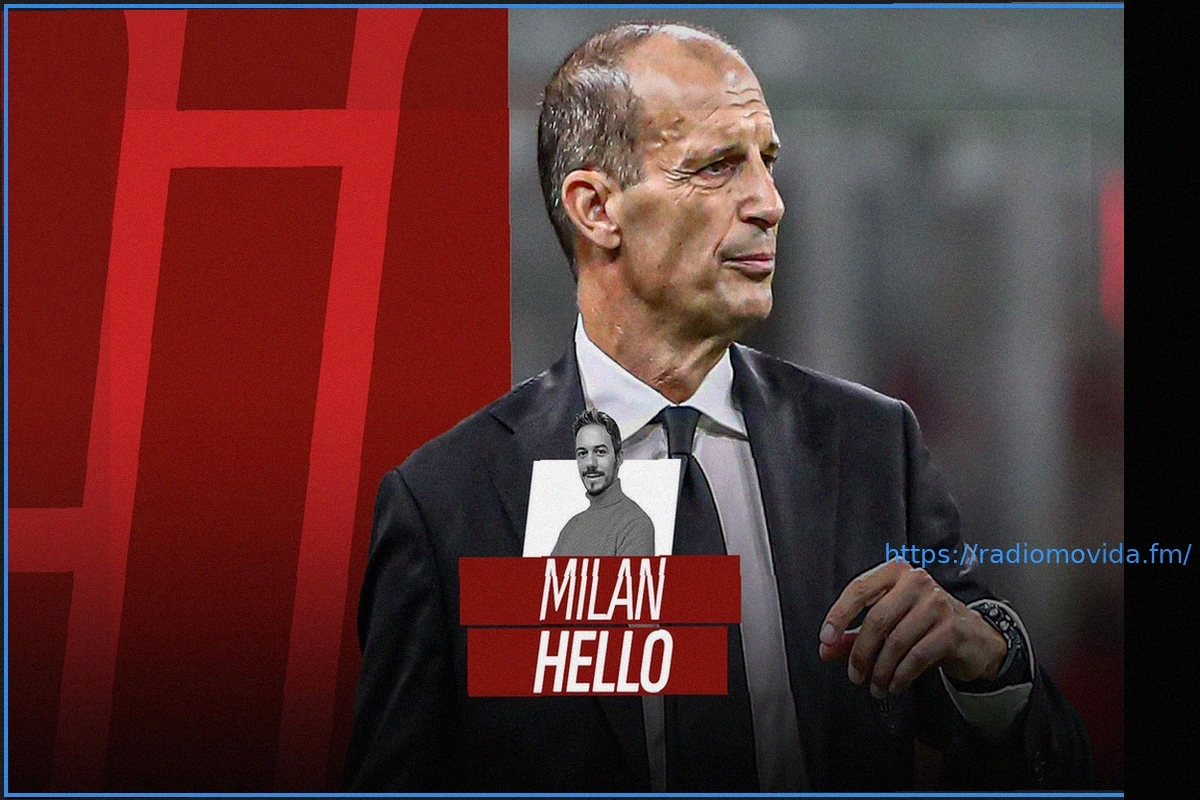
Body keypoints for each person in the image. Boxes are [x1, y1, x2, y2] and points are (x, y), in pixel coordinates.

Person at [345, 21, 1093, 792]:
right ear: (597, 209)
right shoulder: (452, 503)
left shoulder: (871, 448)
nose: (769, 204)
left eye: (768, 162)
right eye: (717, 167)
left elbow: (1059, 766)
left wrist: (989, 665)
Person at [551, 408, 655, 557]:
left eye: (600, 452)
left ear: (619, 458)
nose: (590, 463)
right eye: (582, 453)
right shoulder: (571, 527)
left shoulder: (635, 524)